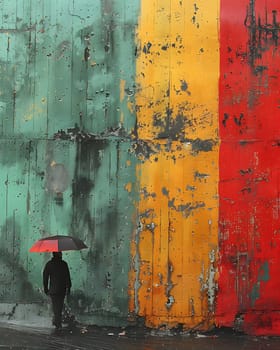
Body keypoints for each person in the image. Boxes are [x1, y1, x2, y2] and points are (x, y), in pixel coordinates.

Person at [43, 252, 72, 329]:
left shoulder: (49, 264)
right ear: (59, 254)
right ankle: (57, 322)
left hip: (53, 290)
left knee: (56, 307)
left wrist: (46, 289)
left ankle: (57, 322)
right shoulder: (64, 264)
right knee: (59, 306)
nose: (62, 254)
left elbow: (45, 277)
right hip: (61, 289)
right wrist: (69, 288)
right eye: (61, 253)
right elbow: (67, 277)